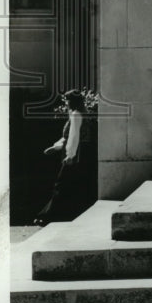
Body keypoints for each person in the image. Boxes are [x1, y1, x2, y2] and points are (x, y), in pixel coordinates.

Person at [33, 89, 95, 225]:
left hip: (76, 153)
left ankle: (47, 216)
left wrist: (70, 156)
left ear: (71, 101)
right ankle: (56, 215)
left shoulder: (76, 115)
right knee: (71, 184)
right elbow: (68, 137)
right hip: (78, 152)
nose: (66, 103)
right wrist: (55, 147)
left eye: (67, 100)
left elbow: (74, 137)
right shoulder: (79, 114)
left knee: (61, 184)